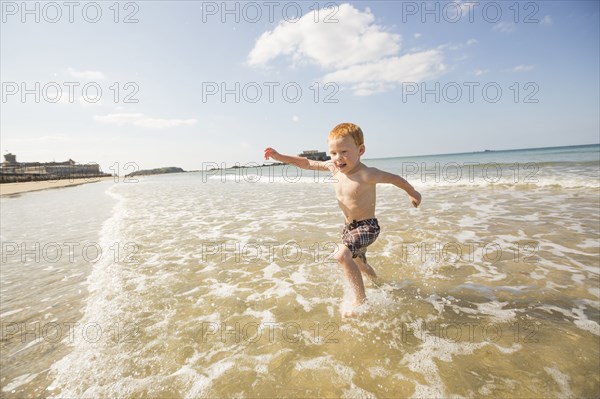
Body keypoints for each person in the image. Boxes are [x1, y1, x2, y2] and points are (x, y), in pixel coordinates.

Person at [264, 122, 421, 316]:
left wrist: (412, 193)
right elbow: (306, 163)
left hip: (367, 227)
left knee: (341, 255)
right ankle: (379, 283)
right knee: (359, 263)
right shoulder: (334, 168)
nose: (338, 158)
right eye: (333, 153)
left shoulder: (367, 174)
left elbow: (396, 179)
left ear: (360, 150)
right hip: (349, 228)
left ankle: (361, 301)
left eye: (344, 152)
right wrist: (279, 157)